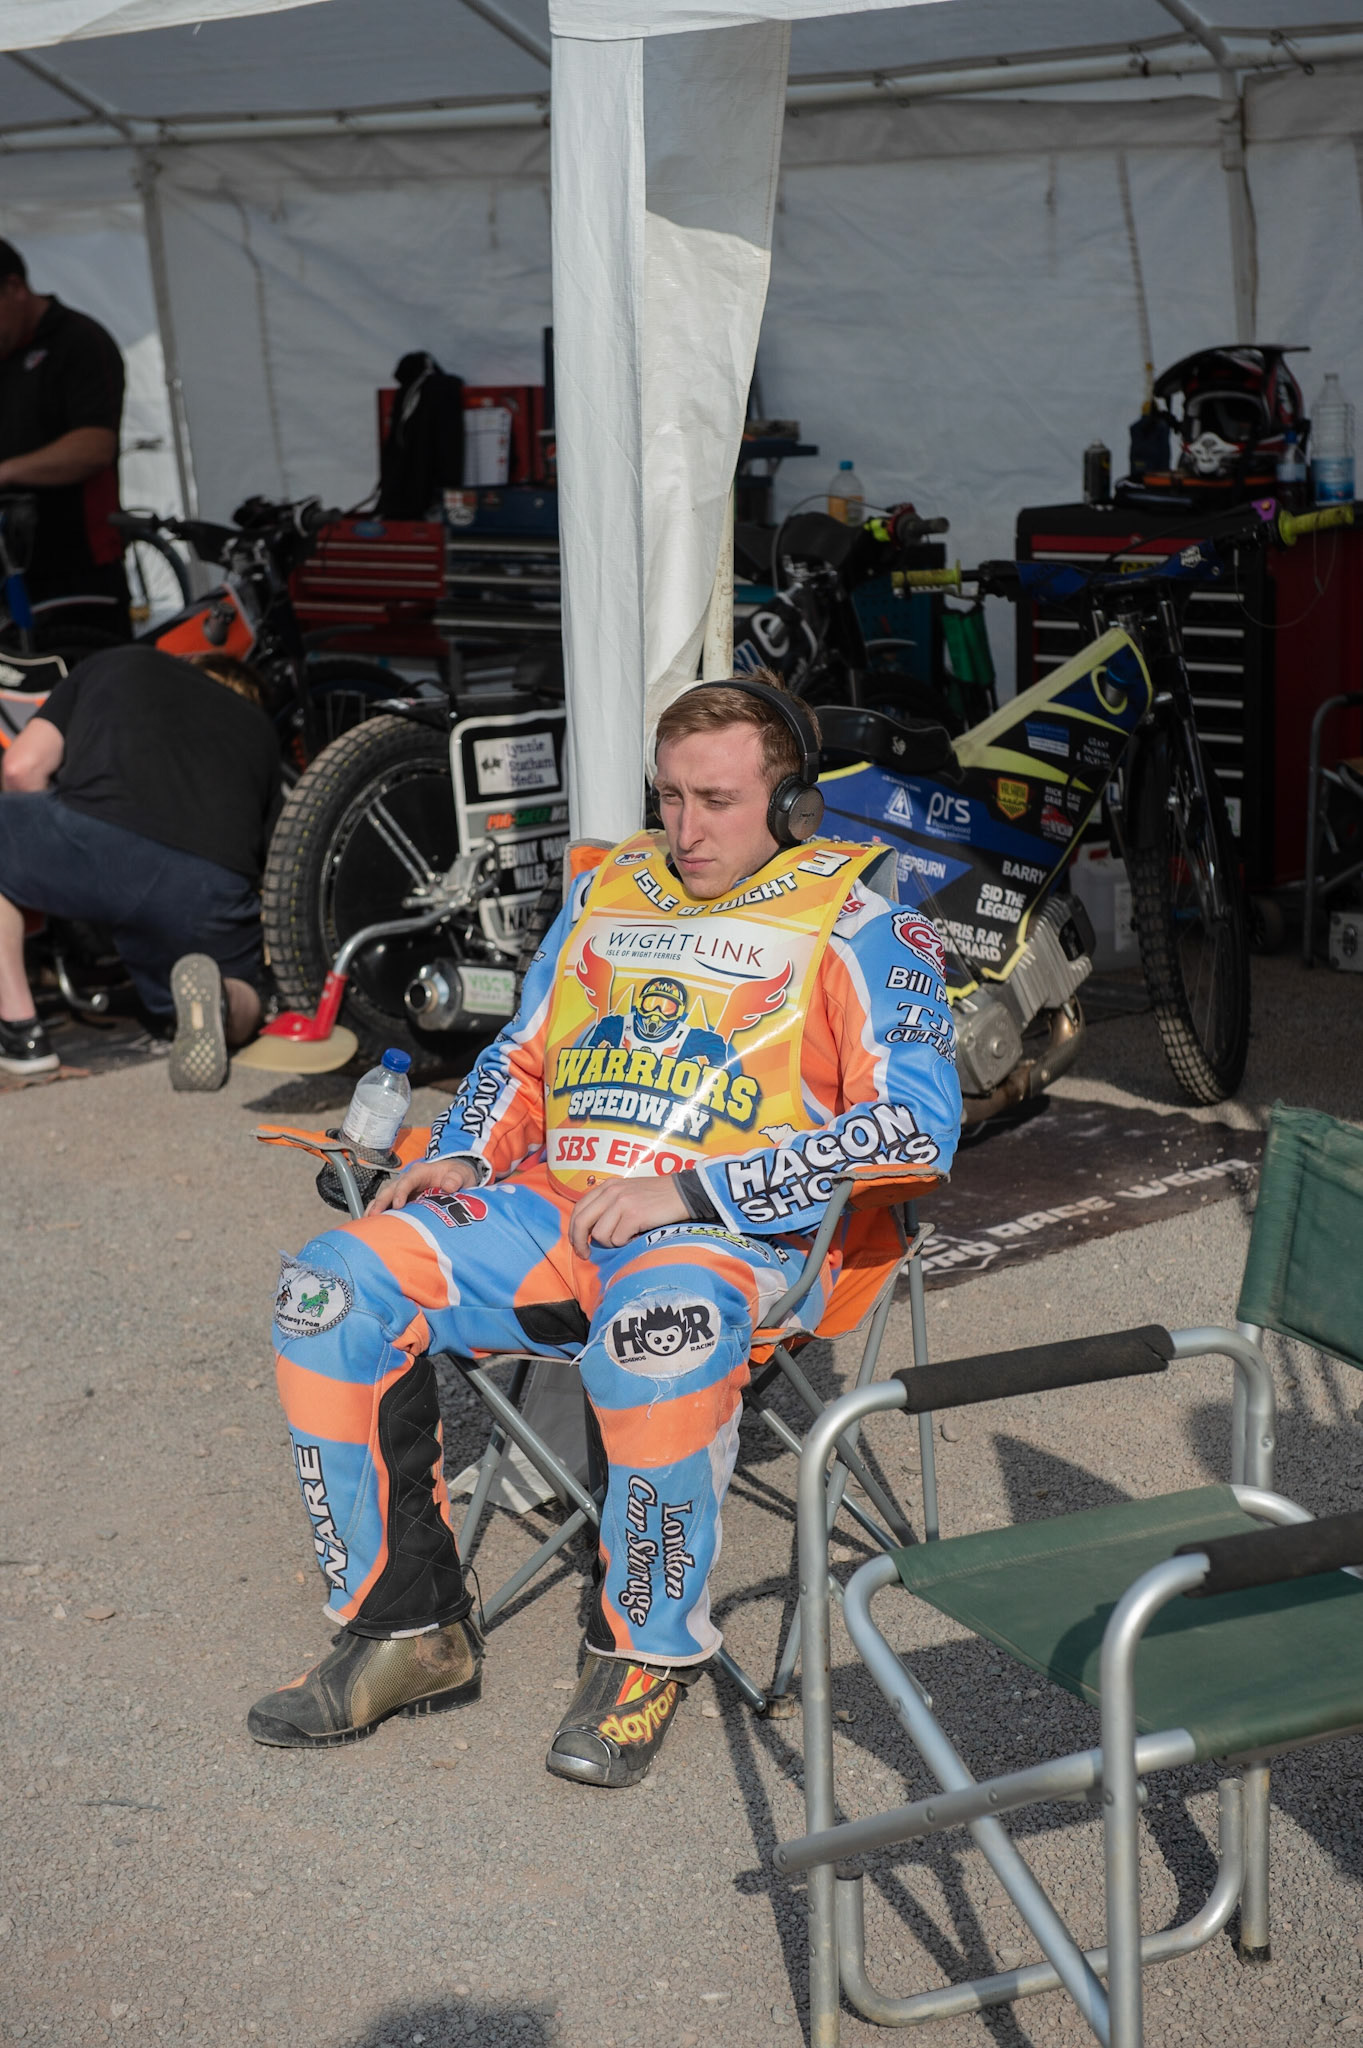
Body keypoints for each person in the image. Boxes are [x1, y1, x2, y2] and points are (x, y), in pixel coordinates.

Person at [252, 673, 962, 1786]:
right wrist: (465, 1148)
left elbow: (917, 1126)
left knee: (657, 1336)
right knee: (327, 1290)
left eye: (717, 801)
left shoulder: (863, 923)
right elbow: (524, 1053)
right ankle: (406, 1631)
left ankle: (643, 1652)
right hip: (555, 1204)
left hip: (730, 1238)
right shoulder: (610, 891)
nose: (686, 829)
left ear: (793, 807)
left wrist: (694, 1194)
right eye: (669, 796)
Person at [0, 644, 280, 1086]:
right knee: (244, 987)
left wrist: (42, 876)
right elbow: (274, 855)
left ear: (192, 664)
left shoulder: (120, 659)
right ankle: (223, 1001)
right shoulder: (259, 728)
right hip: (211, 886)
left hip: (100, 842)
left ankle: (21, 1036)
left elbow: (21, 769)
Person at [0, 238, 128, 630]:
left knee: (88, 667)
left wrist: (6, 472)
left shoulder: (79, 340)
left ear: (14, 288)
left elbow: (94, 447)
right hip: (13, 567)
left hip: (79, 569)